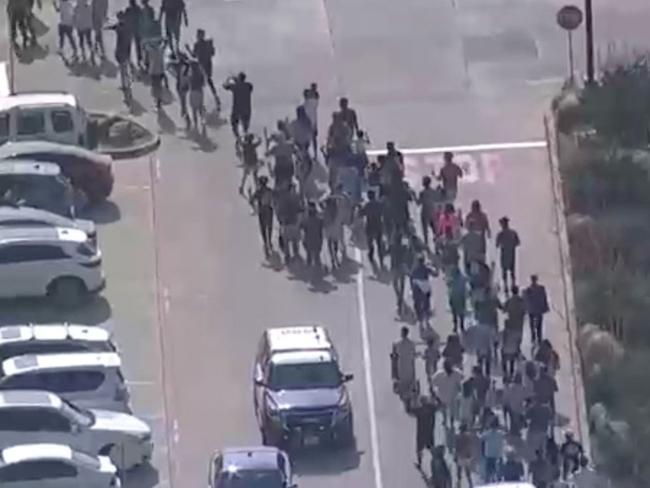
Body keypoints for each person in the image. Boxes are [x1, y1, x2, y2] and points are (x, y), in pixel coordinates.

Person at [191, 29, 220, 109]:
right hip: (208, 65)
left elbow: (193, 55)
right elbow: (213, 53)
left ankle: (202, 102)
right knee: (209, 81)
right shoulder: (207, 43)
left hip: (201, 66)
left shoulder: (196, 45)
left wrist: (188, 49)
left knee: (200, 83)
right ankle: (215, 95)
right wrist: (211, 46)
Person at [430, 359, 463, 428]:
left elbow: (433, 383)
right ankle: (449, 421)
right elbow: (460, 382)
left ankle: (447, 421)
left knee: (446, 409)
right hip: (449, 395)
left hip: (447, 395)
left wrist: (433, 393)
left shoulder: (440, 374)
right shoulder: (456, 373)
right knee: (450, 410)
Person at [275, 184, 302, 263]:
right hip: (288, 223)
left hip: (292, 222)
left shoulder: (293, 199)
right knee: (289, 241)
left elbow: (278, 210)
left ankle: (293, 255)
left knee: (293, 241)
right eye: (293, 189)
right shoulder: (292, 199)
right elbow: (279, 210)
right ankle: (290, 256)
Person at [249, 176, 274, 256]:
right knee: (269, 227)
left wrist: (254, 207)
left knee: (263, 228)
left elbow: (251, 200)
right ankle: (269, 241)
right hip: (269, 210)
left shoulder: (258, 192)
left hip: (262, 211)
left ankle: (265, 243)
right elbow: (274, 199)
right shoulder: (270, 190)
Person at [391, 327, 417, 406]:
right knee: (409, 380)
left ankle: (404, 395)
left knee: (401, 380)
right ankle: (409, 395)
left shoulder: (396, 343)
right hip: (409, 364)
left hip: (401, 364)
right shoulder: (412, 343)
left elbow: (394, 356)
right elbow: (413, 354)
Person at [224, 72, 254, 138]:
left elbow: (225, 86)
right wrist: (237, 81)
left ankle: (238, 138)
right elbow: (250, 88)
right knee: (245, 128)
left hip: (237, 110)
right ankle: (246, 140)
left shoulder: (234, 86)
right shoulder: (249, 86)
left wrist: (229, 79)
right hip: (247, 110)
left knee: (234, 124)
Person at [360, 190, 384, 266]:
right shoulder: (379, 204)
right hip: (378, 226)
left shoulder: (367, 205)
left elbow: (361, 214)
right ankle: (381, 259)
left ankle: (371, 254)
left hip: (370, 226)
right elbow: (384, 212)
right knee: (379, 243)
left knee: (370, 243)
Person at [410, 254, 436, 326]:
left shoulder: (414, 269)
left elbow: (411, 277)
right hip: (424, 287)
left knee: (416, 303)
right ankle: (427, 318)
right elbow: (435, 274)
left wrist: (412, 287)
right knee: (426, 303)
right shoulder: (426, 268)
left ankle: (420, 319)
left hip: (417, 287)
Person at [413, 395, 437, 468]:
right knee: (432, 448)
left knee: (419, 449)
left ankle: (420, 463)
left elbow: (410, 410)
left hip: (421, 433)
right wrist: (435, 397)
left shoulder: (419, 410)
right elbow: (440, 405)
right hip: (429, 432)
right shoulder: (431, 409)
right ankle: (436, 463)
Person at [524, 274, 550, 344]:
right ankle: (539, 337)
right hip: (539, 309)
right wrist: (546, 307)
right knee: (539, 325)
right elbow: (544, 298)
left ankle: (533, 337)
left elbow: (526, 300)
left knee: (532, 324)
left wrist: (526, 309)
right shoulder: (541, 289)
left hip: (532, 310)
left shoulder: (528, 290)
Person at [496, 216, 520, 289]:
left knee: (504, 271)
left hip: (504, 254)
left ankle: (506, 285)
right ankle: (512, 284)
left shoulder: (500, 234)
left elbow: (497, 245)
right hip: (511, 253)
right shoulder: (513, 233)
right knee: (512, 271)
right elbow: (518, 243)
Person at [169, 51, 191, 126]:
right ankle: (184, 112)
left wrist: (174, 74)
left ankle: (185, 113)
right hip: (185, 84)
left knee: (183, 100)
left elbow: (168, 66)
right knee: (183, 100)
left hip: (181, 84)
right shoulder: (186, 65)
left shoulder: (177, 65)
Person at [389, 233, 409, 314]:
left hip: (394, 267)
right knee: (402, 285)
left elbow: (386, 252)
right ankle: (400, 297)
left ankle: (399, 298)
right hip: (401, 266)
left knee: (395, 284)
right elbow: (407, 254)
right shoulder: (403, 247)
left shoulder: (392, 247)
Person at [301, 201, 324, 271]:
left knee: (309, 255)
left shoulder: (306, 220)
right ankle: (317, 270)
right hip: (317, 239)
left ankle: (309, 268)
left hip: (308, 239)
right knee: (317, 256)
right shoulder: (319, 220)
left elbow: (303, 228)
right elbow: (321, 231)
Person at [481, 418, 505, 483]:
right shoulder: (501, 434)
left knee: (488, 475)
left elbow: (481, 439)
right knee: (499, 475)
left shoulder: (487, 434)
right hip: (498, 456)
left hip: (490, 456)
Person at [323, 196, 344, 270]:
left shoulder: (326, 210)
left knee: (329, 243)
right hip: (335, 227)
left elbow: (324, 219)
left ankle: (332, 258)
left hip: (329, 228)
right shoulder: (336, 209)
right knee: (335, 243)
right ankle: (335, 256)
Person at [418, 176, 438, 247]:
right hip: (432, 212)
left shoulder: (422, 193)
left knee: (425, 231)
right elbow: (437, 200)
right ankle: (437, 244)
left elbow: (418, 203)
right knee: (434, 230)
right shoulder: (433, 191)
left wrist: (413, 195)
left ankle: (426, 244)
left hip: (425, 213)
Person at [146, 37, 166, 109]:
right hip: (160, 71)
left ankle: (157, 102)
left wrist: (148, 41)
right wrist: (162, 40)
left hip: (153, 71)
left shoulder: (151, 51)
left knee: (155, 87)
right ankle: (159, 100)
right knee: (159, 86)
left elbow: (147, 46)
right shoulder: (160, 50)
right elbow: (163, 45)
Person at [446, 266, 467, 332]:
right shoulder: (463, 278)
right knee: (461, 313)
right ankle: (461, 326)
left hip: (454, 297)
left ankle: (456, 327)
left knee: (454, 313)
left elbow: (448, 284)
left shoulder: (451, 279)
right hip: (460, 297)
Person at [454, 423, 474, 488]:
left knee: (459, 472)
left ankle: (459, 484)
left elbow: (456, 447)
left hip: (460, 456)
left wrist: (455, 456)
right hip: (467, 456)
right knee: (468, 472)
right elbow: (470, 446)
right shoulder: (469, 436)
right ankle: (470, 484)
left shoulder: (457, 437)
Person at [124, 0, 143, 68]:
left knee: (128, 44)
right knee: (138, 45)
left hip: (129, 29)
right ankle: (139, 59)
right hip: (137, 29)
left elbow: (125, 19)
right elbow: (141, 18)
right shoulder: (138, 9)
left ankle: (128, 58)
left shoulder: (128, 10)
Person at [302, 83, 319, 157]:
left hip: (310, 122)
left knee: (310, 139)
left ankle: (313, 153)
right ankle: (313, 153)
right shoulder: (311, 102)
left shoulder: (307, 104)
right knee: (311, 139)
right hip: (311, 122)